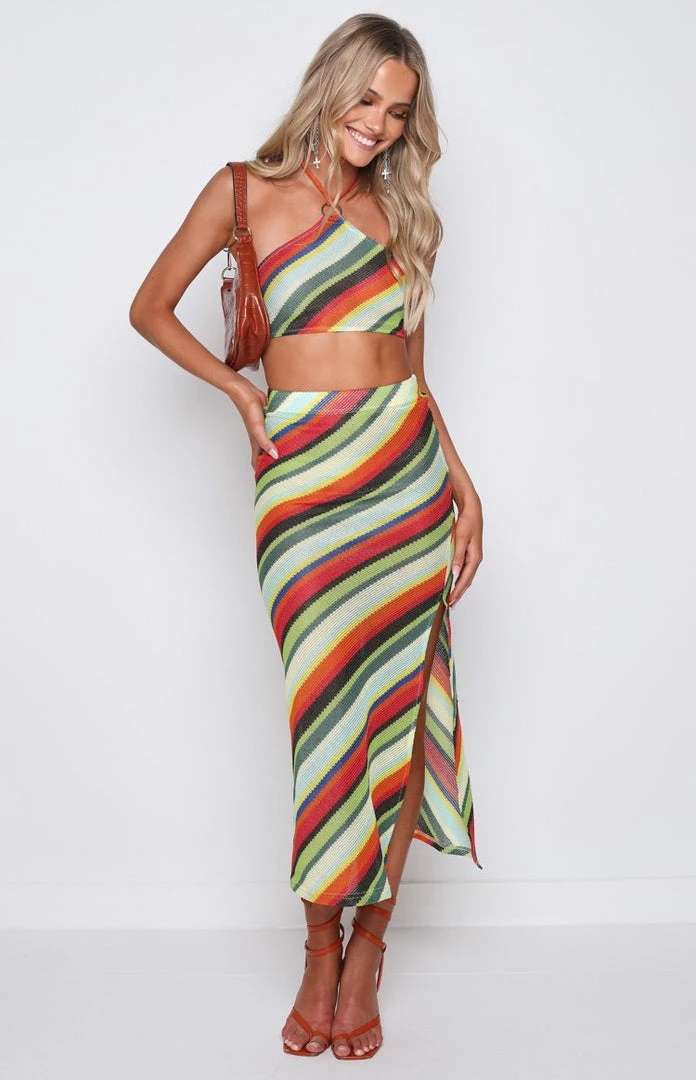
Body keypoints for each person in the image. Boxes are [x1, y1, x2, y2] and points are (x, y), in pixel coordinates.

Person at [129, 11, 484, 1061]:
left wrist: (463, 486)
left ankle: (368, 951)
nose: (379, 125)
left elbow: (414, 371)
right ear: (330, 87)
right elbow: (150, 308)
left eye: (399, 112)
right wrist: (240, 392)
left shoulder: (403, 217)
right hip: (305, 483)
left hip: (405, 476)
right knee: (324, 712)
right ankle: (317, 948)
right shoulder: (244, 192)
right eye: (367, 99)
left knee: (405, 710)